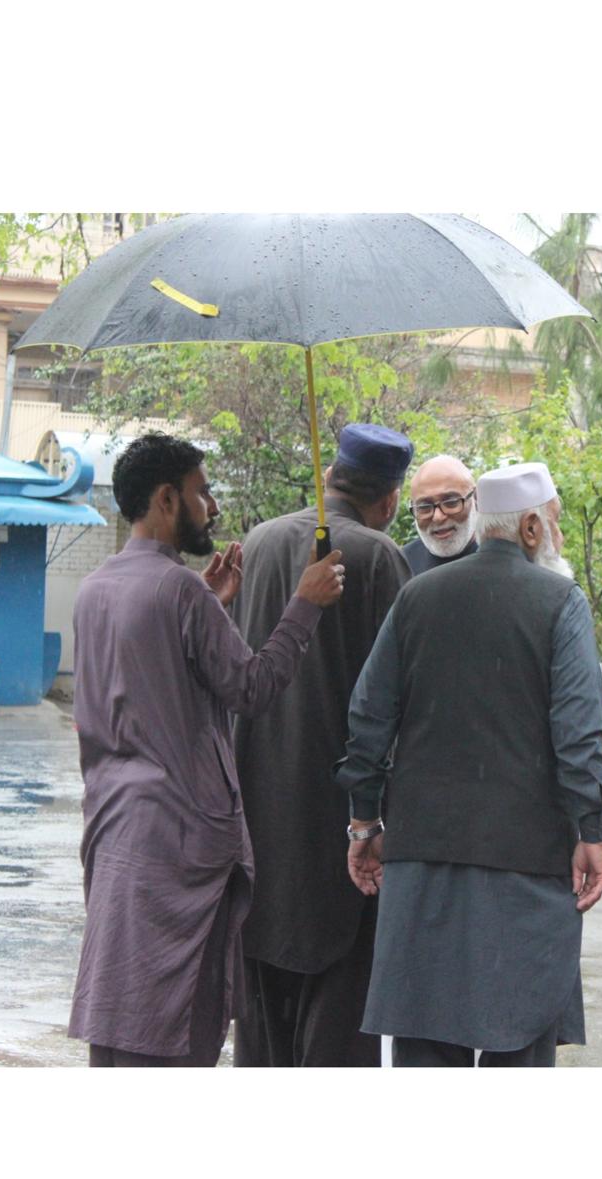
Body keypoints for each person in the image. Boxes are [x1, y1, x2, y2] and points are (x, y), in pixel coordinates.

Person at [68, 432, 346, 1067]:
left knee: (122, 1010)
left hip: (115, 830)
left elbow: (155, 683)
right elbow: (250, 688)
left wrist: (214, 609)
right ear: (167, 499)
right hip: (179, 842)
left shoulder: (96, 590)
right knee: (174, 1021)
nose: (212, 506)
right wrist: (304, 605)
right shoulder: (180, 593)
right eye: (201, 493)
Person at [337, 460, 602, 1067]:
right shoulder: (560, 601)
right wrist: (591, 832)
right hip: (526, 866)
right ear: (534, 531)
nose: (559, 536)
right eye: (557, 525)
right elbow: (577, 733)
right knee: (520, 1040)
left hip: (422, 863)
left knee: (425, 1043)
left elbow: (367, 719)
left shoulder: (418, 596)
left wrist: (363, 824)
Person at [230, 423, 414, 1067]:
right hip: (340, 819)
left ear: (332, 473)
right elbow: (398, 696)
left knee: (260, 1020)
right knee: (336, 1023)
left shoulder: (258, 541)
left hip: (255, 808)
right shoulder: (376, 556)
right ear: (389, 500)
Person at [400, 454, 479, 575]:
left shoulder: (503, 560)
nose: (438, 517)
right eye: (424, 507)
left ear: (475, 498)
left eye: (451, 503)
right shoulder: (402, 565)